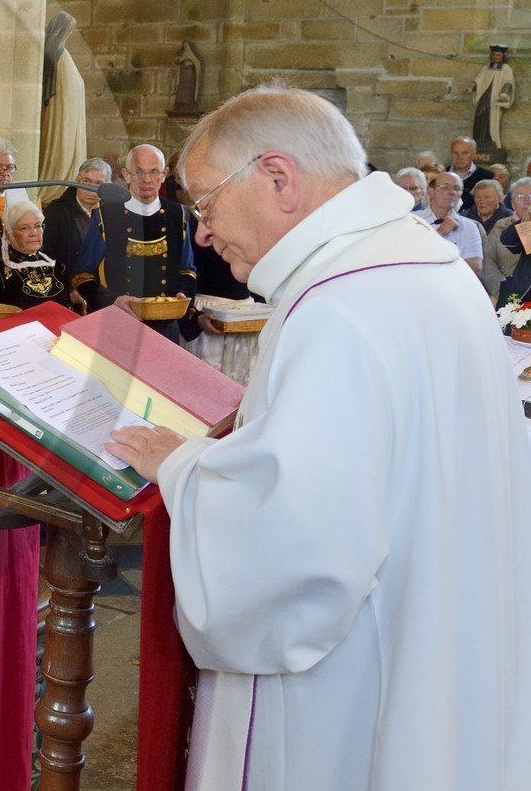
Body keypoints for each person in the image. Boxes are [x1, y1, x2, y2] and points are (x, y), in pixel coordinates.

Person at [105, 84, 531, 791]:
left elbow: (287, 558)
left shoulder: (338, 309)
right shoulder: (422, 265)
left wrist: (182, 466)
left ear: (278, 178)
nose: (204, 232)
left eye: (206, 203)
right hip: (449, 646)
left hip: (345, 698)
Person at [71, 143, 195, 339]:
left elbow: (187, 269)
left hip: (165, 329)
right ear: (126, 175)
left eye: (154, 172)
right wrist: (112, 301)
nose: (146, 179)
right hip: (117, 326)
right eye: (138, 172)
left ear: (164, 174)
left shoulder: (178, 214)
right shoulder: (105, 216)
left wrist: (182, 295)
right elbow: (82, 275)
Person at [42, 157, 112, 305]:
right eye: (86, 181)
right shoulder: (57, 212)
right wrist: (69, 288)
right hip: (67, 293)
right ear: (77, 181)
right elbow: (46, 255)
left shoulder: (112, 214)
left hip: (103, 293)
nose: (91, 188)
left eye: (98, 183)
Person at [0, 199, 66, 309]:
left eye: (38, 226)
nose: (34, 233)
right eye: (24, 228)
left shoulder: (58, 267)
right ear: (8, 235)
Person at [421, 171, 484, 276]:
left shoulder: (469, 226)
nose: (452, 192)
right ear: (431, 191)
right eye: (445, 187)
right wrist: (440, 233)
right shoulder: (413, 219)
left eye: (457, 188)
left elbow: (475, 268)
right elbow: (410, 258)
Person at [487, 178, 531, 304]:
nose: (527, 201)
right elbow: (509, 243)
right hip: (517, 292)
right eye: (521, 196)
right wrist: (525, 222)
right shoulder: (504, 225)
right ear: (512, 203)